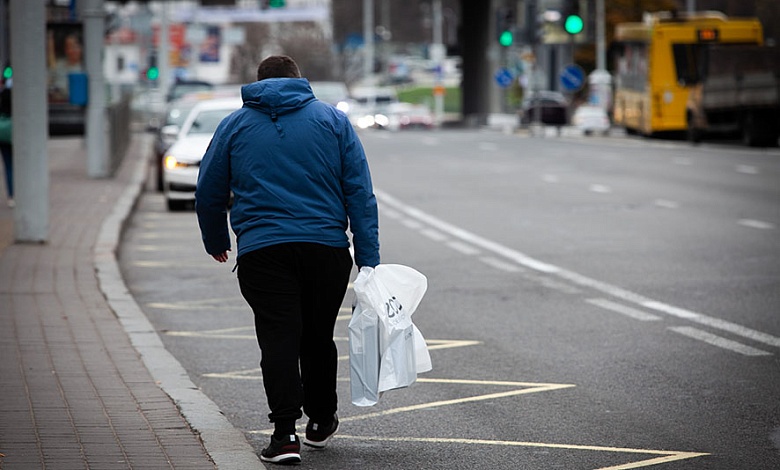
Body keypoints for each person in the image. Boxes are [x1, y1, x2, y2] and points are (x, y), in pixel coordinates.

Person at [195, 55, 380, 465]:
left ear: (258, 83)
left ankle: (284, 436)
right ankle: (321, 418)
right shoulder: (332, 121)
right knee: (317, 334)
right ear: (299, 79)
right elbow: (359, 192)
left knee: (278, 337)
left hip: (264, 251)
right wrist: (368, 257)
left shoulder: (234, 125)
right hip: (326, 249)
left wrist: (215, 238)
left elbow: (208, 187)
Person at [0, 75, 12, 207]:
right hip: (15, 134)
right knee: (18, 165)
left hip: (3, 134)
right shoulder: (18, 96)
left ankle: (11, 195)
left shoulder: (2, 94)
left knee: (8, 166)